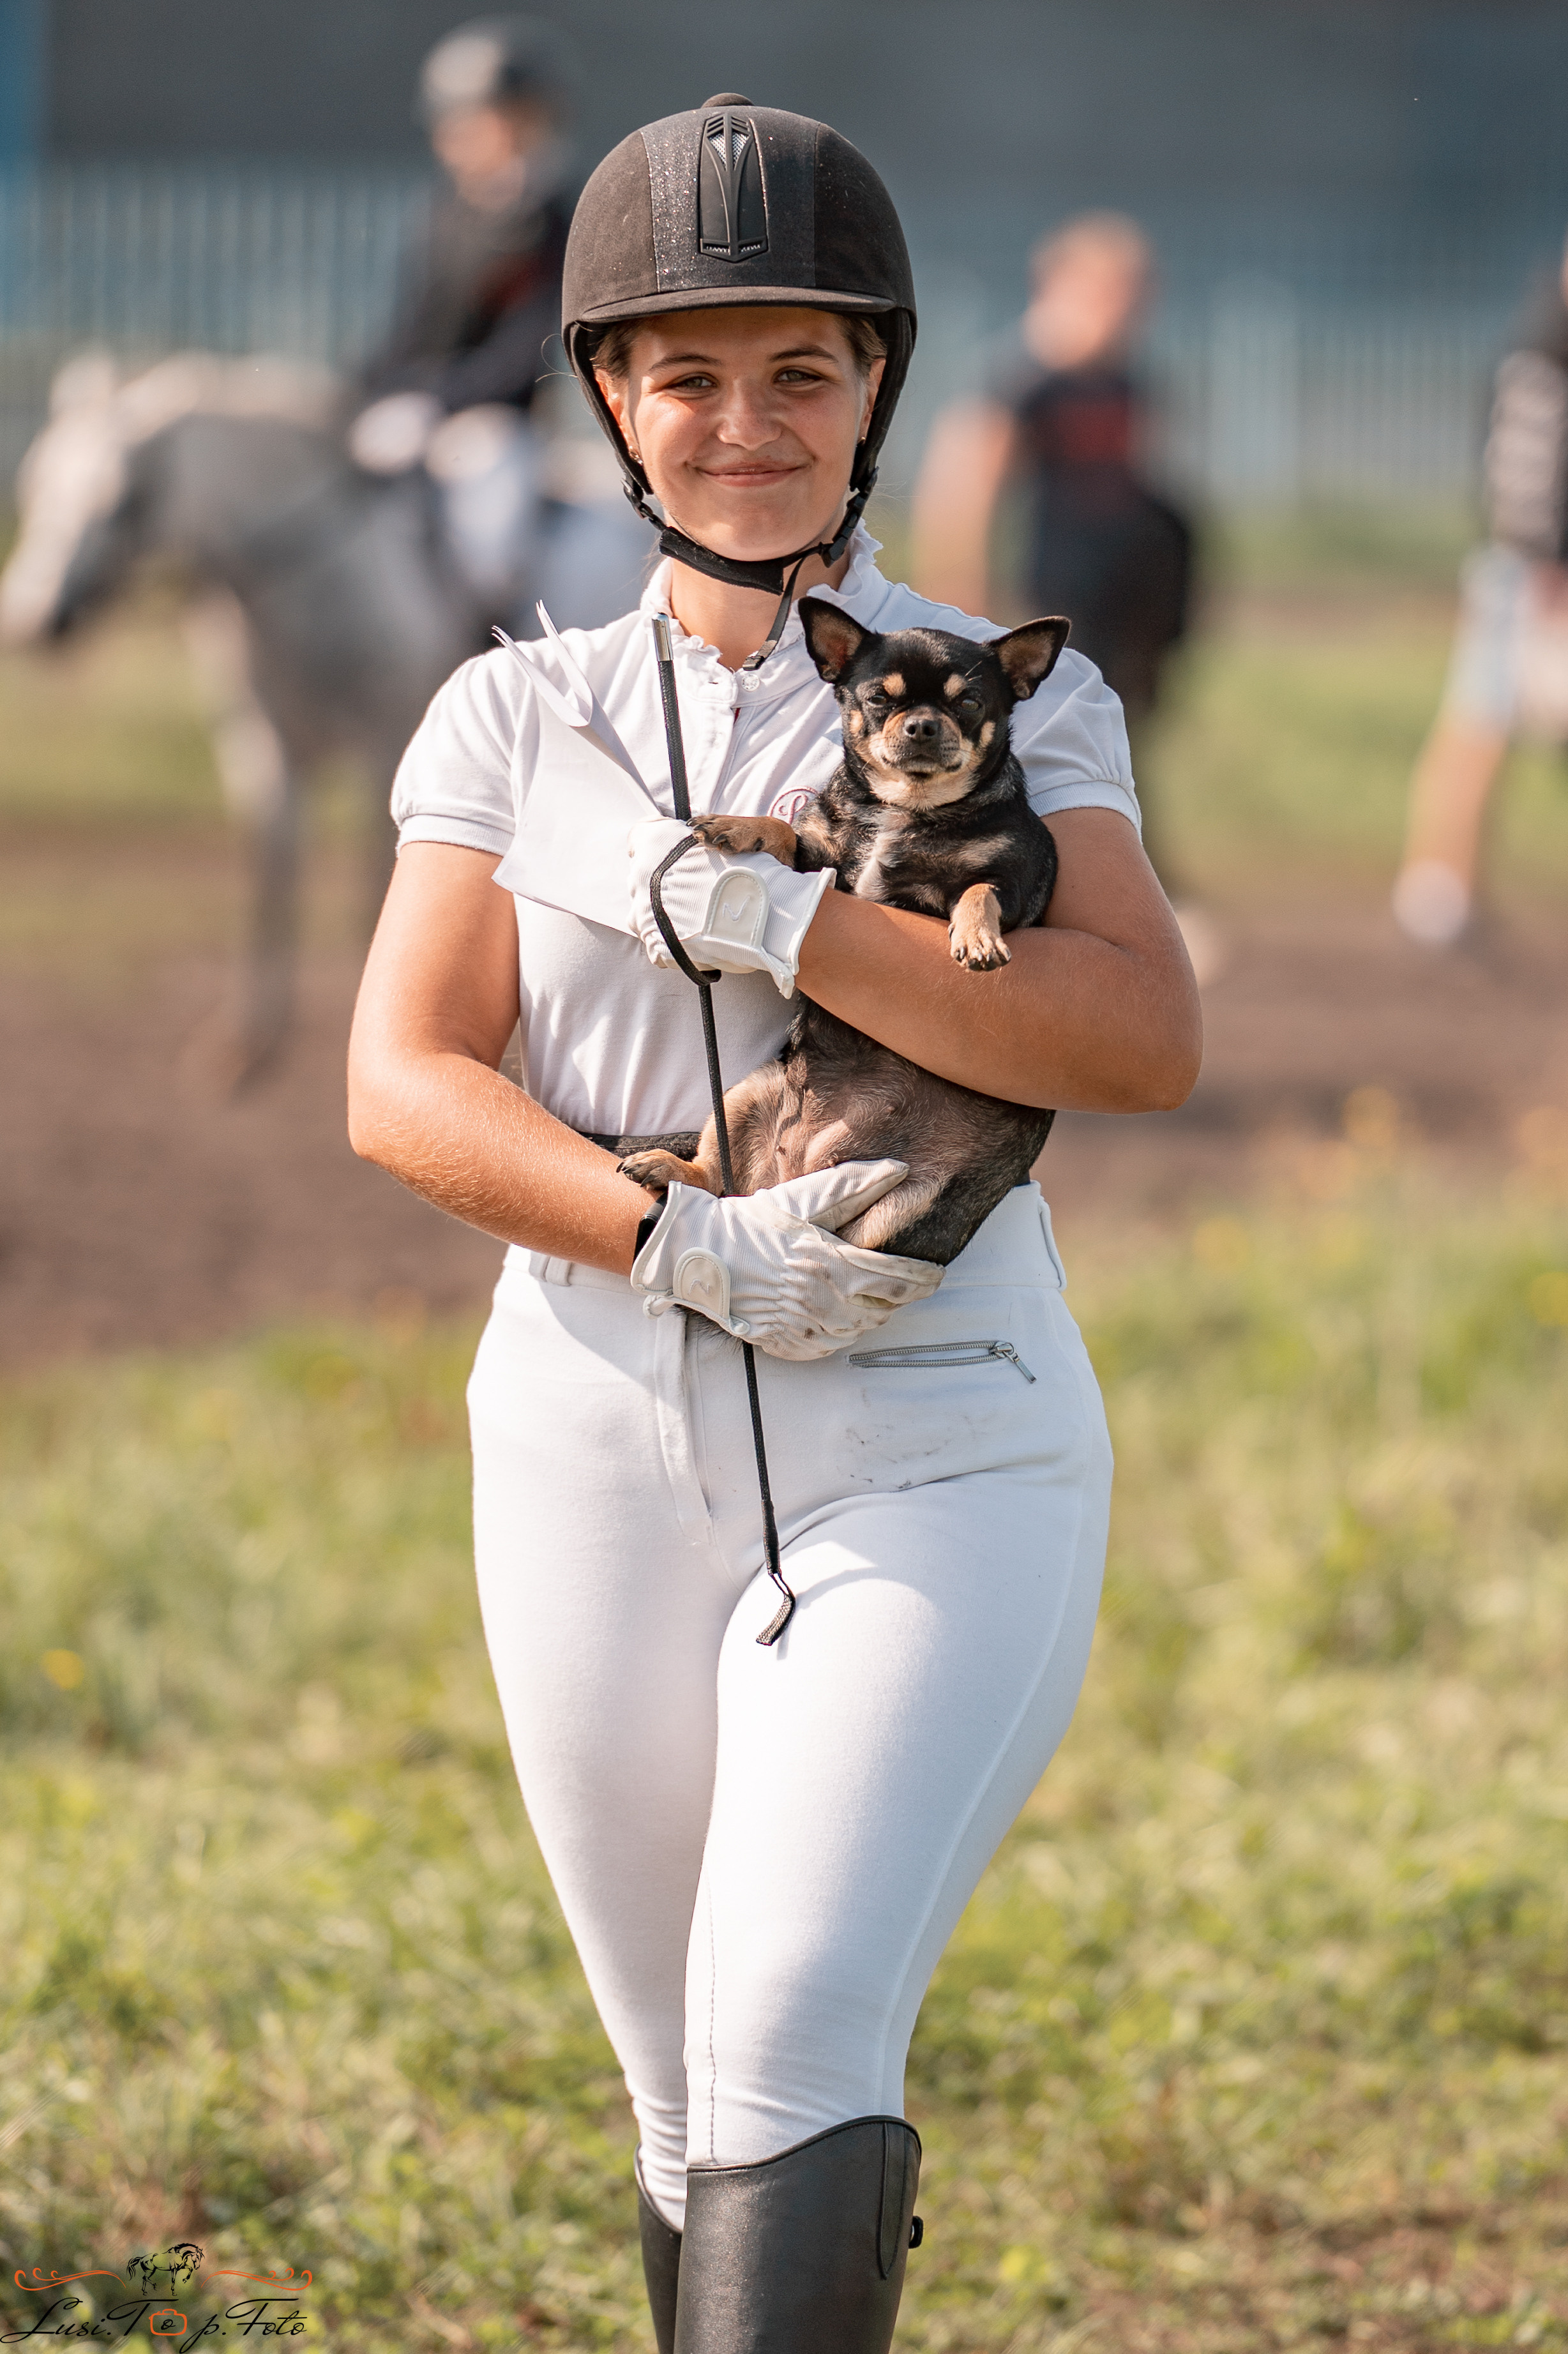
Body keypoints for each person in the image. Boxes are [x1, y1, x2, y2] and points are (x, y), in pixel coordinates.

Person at [348, 94, 1200, 2354]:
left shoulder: (1024, 692)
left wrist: (794, 917)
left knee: (787, 2031)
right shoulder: (511, 710)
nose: (743, 423)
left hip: (937, 1427)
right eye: (687, 373)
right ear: (615, 400)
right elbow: (402, 1078)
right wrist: (672, 1242)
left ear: (873, 396)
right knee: (669, 2096)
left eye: (800, 372)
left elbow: (1131, 1037)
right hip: (592, 1430)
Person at [912, 213, 1195, 889]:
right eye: (1111, 290)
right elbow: (964, 489)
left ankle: (1137, 878)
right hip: (1050, 599)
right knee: (1048, 750)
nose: (1128, 308)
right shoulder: (1022, 381)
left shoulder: (1128, 379)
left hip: (1120, 597)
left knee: (1118, 744)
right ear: (1060, 287)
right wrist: (961, 596)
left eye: (1136, 291)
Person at [347, 16, 575, 615]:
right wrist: (370, 392)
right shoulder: (443, 215)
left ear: (526, 121)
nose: (457, 137)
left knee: (489, 544)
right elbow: (412, 327)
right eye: (452, 122)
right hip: (422, 412)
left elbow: (536, 342)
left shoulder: (553, 217)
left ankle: (482, 657)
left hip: (498, 426)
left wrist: (440, 399)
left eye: (477, 120)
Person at [1392, 232, 1568, 947]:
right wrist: (1543, 572)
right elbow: (1523, 477)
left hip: (1533, 572)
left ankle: (1443, 888)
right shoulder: (1544, 354)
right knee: (1480, 723)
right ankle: (1437, 886)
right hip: (1530, 576)